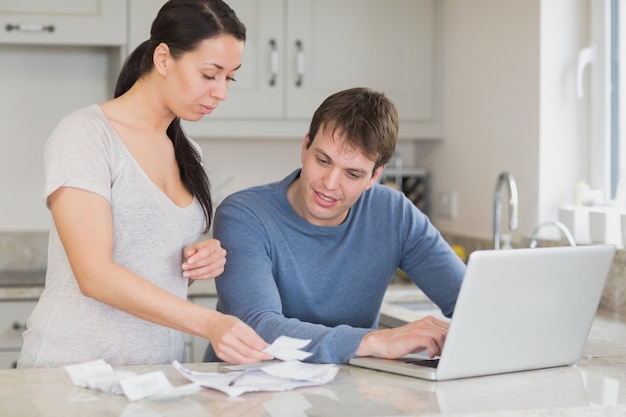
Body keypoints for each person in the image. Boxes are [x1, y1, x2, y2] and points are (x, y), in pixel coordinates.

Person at [18, 0, 272, 368]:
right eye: (210, 74)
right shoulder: (85, 135)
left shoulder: (188, 153)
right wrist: (210, 322)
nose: (221, 92)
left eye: (229, 77)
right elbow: (94, 275)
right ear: (164, 58)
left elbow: (150, 252)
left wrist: (203, 255)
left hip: (158, 372)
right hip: (71, 371)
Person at [204, 87, 466, 364]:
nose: (329, 184)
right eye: (323, 160)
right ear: (305, 147)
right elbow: (257, 327)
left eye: (352, 174)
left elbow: (470, 302)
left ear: (373, 177)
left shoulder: (393, 213)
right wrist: (373, 340)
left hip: (344, 393)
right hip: (248, 396)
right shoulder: (245, 215)